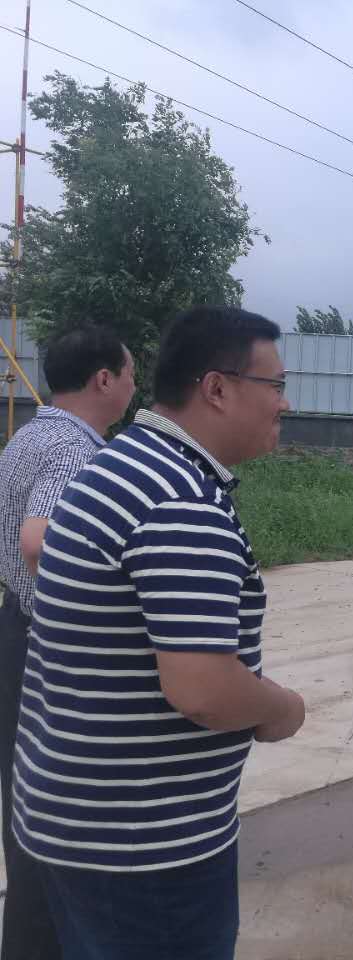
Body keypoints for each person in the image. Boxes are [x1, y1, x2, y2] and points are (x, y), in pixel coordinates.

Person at [12, 306, 307, 960]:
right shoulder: (179, 500)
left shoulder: (120, 463)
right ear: (217, 388)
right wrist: (282, 708)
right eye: (276, 385)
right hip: (144, 850)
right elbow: (203, 689)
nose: (285, 403)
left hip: (76, 819)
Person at [0, 326, 135, 959]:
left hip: (15, 627)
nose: (132, 389)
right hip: (46, 644)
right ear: (104, 379)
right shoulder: (75, 449)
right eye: (130, 376)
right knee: (59, 821)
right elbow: (37, 540)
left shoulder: (29, 434)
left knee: (24, 807)